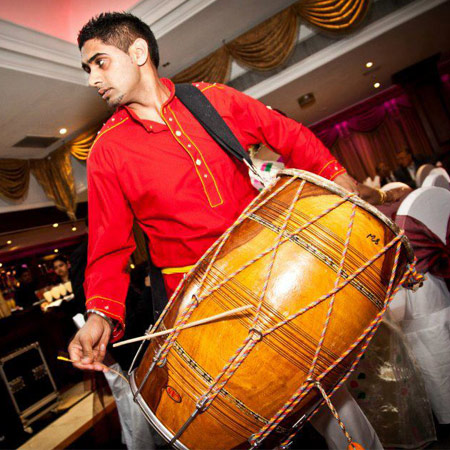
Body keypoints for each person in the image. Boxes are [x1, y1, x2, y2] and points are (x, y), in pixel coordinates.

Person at [68, 12, 384, 449]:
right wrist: (101, 313)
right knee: (244, 419)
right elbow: (108, 246)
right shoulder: (106, 150)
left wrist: (336, 175)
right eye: (87, 69)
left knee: (325, 388)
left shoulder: (213, 99)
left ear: (138, 52)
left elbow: (287, 135)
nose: (92, 79)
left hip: (271, 275)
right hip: (199, 311)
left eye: (99, 62)